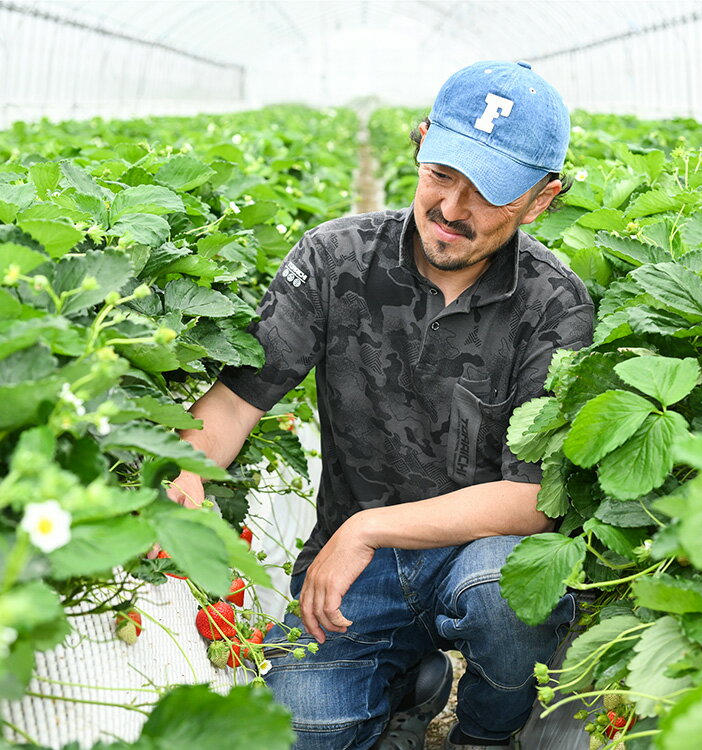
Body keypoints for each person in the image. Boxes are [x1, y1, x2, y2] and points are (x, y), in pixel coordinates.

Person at [168, 60, 594, 750]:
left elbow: (536, 498)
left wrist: (368, 527)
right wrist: (182, 470)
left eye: (490, 193)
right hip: (355, 578)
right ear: (421, 144)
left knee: (505, 591)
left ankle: (486, 733)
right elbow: (237, 403)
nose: (454, 209)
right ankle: (409, 685)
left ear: (542, 199)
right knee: (294, 733)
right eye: (442, 174)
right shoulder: (335, 259)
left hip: (471, 556)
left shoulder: (555, 301)